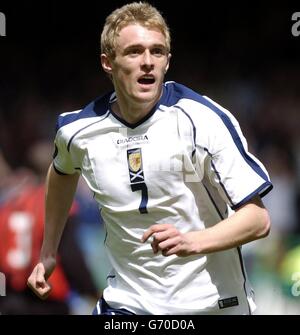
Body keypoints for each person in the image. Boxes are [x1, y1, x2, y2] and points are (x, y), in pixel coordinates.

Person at [27, 2, 273, 315]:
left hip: (212, 305)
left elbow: (258, 219)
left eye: (157, 52)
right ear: (108, 62)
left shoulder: (202, 120)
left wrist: (193, 241)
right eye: (134, 52)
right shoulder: (77, 130)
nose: (147, 62)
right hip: (127, 304)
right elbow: (61, 171)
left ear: (167, 61)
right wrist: (49, 251)